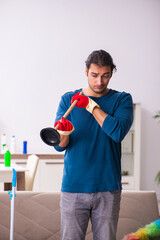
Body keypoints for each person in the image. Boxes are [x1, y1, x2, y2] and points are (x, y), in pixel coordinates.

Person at [54, 50, 133, 240]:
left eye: (105, 76)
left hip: (107, 187)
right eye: (94, 75)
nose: (99, 82)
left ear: (111, 74)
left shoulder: (122, 100)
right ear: (86, 72)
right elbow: (60, 145)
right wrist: (63, 133)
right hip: (74, 187)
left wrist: (91, 105)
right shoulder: (68, 100)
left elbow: (117, 132)